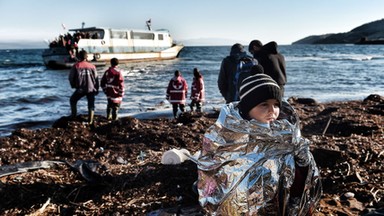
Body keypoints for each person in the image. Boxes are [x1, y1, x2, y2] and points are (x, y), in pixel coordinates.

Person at [195, 74, 322, 215]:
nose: (272, 110)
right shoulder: (230, 137)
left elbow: (301, 179)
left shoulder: (288, 136)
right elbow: (214, 167)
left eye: (276, 104)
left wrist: (303, 159)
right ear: (248, 107)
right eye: (264, 104)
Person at [68, 50, 99, 125]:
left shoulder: (76, 66)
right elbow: (96, 78)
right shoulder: (92, 66)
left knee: (72, 100)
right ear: (86, 57)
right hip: (91, 88)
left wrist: (73, 85)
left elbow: (70, 77)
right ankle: (90, 120)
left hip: (80, 89)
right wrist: (97, 88)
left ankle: (73, 115)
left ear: (78, 57)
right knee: (91, 104)